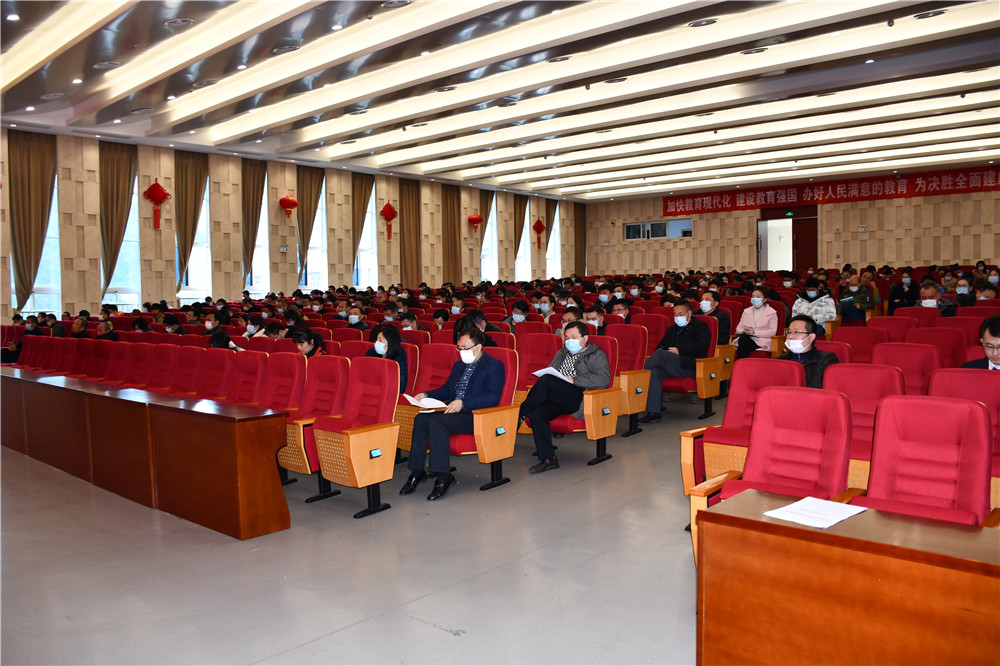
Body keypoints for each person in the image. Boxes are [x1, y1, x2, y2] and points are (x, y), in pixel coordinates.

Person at [399, 328, 504, 501]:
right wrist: (426, 394)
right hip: (453, 411)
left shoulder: (493, 365)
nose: (461, 351)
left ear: (478, 347)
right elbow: (447, 390)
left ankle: (443, 477)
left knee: (436, 422)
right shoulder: (459, 365)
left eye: (465, 348)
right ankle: (417, 472)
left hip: (475, 415)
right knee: (421, 418)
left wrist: (464, 403)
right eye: (459, 348)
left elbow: (492, 396)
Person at [517, 321, 610, 474]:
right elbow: (551, 370)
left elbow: (604, 379)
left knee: (547, 380)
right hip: (557, 396)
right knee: (537, 413)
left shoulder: (596, 355)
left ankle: (521, 413)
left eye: (574, 337)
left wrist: (575, 379)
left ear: (585, 338)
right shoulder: (562, 353)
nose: (569, 341)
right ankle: (549, 459)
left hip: (577, 396)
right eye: (567, 337)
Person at [638, 302, 711, 423]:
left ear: (689, 313)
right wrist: (666, 349)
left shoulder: (700, 326)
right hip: (672, 365)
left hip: (691, 365)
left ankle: (636, 375)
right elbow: (660, 346)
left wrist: (679, 350)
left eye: (680, 314)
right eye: (675, 314)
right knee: (655, 372)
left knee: (660, 355)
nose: (677, 317)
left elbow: (701, 347)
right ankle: (654, 413)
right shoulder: (672, 329)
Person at [776, 315, 838, 388]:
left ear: (811, 337)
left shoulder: (826, 360)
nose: (790, 336)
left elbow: (827, 389)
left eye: (796, 332)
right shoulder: (778, 361)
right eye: (789, 332)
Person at [734, 288, 778, 358]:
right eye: (753, 296)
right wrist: (744, 331)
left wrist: (755, 333)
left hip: (762, 341)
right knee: (744, 337)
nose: (755, 298)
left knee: (743, 340)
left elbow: (772, 332)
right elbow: (738, 328)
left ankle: (741, 360)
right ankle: (744, 360)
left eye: (758, 297)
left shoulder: (771, 313)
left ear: (765, 299)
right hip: (746, 338)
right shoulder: (746, 311)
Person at [365, 324, 408, 392]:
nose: (377, 343)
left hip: (388, 392)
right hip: (370, 390)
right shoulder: (371, 354)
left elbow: (401, 386)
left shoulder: (399, 357)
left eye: (380, 340)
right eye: (377, 340)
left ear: (390, 341)